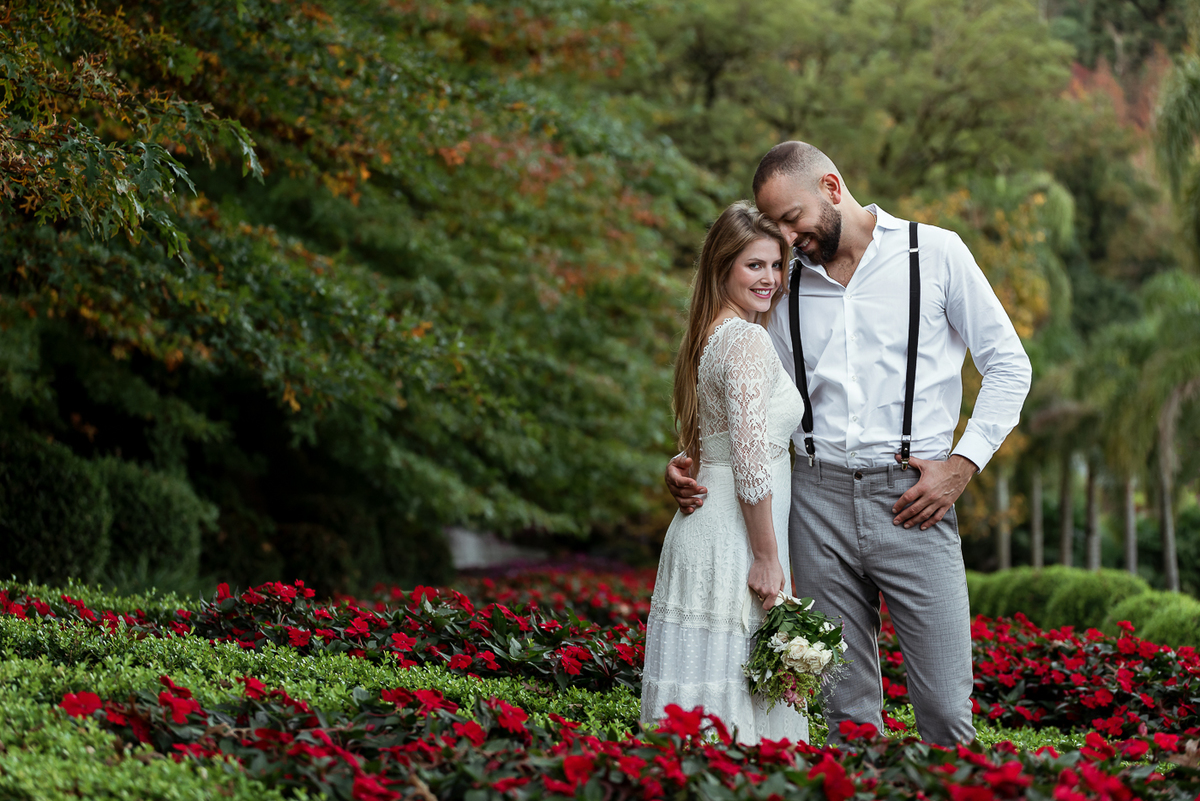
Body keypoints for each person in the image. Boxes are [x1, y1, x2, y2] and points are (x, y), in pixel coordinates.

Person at [665, 142, 1032, 746]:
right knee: (844, 711)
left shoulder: (935, 254)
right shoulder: (780, 286)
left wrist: (963, 465)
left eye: (791, 219)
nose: (784, 238)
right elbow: (742, 389)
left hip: (915, 500)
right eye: (775, 227)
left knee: (944, 706)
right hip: (812, 501)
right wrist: (693, 457)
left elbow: (1010, 366)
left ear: (832, 189)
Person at [641, 201, 810, 745]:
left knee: (705, 715)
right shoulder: (744, 339)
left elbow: (708, 443)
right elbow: (751, 461)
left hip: (711, 530)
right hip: (736, 542)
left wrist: (679, 465)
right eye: (754, 265)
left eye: (776, 265)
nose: (770, 279)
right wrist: (766, 556)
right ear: (723, 269)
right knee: (735, 714)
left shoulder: (713, 334)